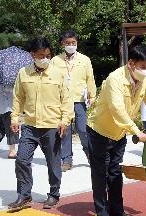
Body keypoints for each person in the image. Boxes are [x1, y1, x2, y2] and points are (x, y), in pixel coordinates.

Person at [87, 45, 146, 216]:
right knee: (100, 173)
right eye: (142, 67)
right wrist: (136, 131)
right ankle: (102, 213)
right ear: (131, 64)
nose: (145, 70)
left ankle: (116, 209)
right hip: (100, 131)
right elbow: (117, 110)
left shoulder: (145, 81)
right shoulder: (115, 79)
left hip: (119, 133)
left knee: (115, 171)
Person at [7, 37, 74, 212]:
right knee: (21, 160)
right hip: (29, 126)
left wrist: (65, 120)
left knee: (53, 162)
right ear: (32, 55)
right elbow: (18, 98)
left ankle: (54, 194)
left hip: (52, 126)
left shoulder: (58, 72)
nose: (45, 58)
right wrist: (15, 119)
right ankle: (24, 195)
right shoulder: (24, 73)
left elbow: (67, 100)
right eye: (41, 55)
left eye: (48, 55)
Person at [50, 30, 96, 172]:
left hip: (79, 99)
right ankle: (67, 159)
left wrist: (92, 96)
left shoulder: (85, 59)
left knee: (82, 129)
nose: (71, 45)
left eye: (73, 43)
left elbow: (90, 79)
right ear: (62, 44)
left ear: (77, 43)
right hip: (62, 100)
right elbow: (50, 80)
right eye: (68, 43)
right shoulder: (55, 61)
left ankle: (91, 155)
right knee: (65, 130)